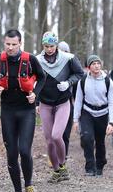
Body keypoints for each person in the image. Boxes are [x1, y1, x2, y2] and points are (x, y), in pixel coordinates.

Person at [0, 29, 45, 192]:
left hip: (27, 111)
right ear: (4, 43)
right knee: (11, 153)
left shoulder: (30, 59)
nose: (10, 47)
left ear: (20, 43)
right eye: (8, 44)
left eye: (14, 44)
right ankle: (17, 189)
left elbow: (42, 77)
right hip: (7, 111)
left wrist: (35, 94)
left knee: (25, 151)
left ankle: (28, 184)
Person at [35, 32, 84, 183]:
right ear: (43, 45)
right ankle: (57, 171)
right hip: (45, 103)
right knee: (49, 140)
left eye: (51, 46)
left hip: (63, 102)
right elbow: (34, 81)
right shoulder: (37, 60)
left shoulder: (68, 58)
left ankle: (62, 166)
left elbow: (79, 73)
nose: (49, 49)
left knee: (57, 136)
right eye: (46, 46)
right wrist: (36, 102)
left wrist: (68, 83)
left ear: (56, 45)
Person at [73, 55, 113, 176]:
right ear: (88, 67)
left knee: (100, 141)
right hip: (87, 112)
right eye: (93, 64)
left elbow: (112, 103)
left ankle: (100, 165)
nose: (96, 66)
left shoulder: (108, 81)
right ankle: (89, 166)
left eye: (98, 63)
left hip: (103, 114)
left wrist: (111, 122)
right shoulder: (83, 81)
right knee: (87, 138)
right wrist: (75, 120)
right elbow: (78, 101)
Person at [57, 41, 74, 156]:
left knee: (66, 133)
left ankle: (64, 157)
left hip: (68, 103)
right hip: (51, 104)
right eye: (61, 51)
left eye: (65, 52)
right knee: (54, 133)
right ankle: (53, 155)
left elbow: (79, 87)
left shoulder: (73, 67)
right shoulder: (49, 66)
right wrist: (38, 103)